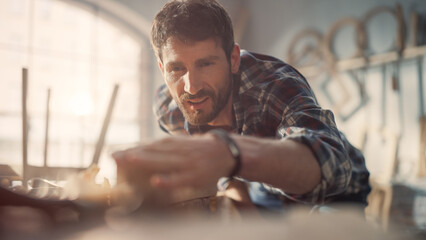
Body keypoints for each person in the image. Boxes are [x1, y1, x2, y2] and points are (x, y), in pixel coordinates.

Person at [112, 0, 370, 210]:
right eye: (176, 68)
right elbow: (219, 170)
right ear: (162, 68)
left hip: (336, 196)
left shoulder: (274, 86)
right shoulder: (169, 110)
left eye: (206, 64)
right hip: (262, 188)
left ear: (233, 59)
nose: (191, 87)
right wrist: (231, 184)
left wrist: (229, 153)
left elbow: (334, 168)